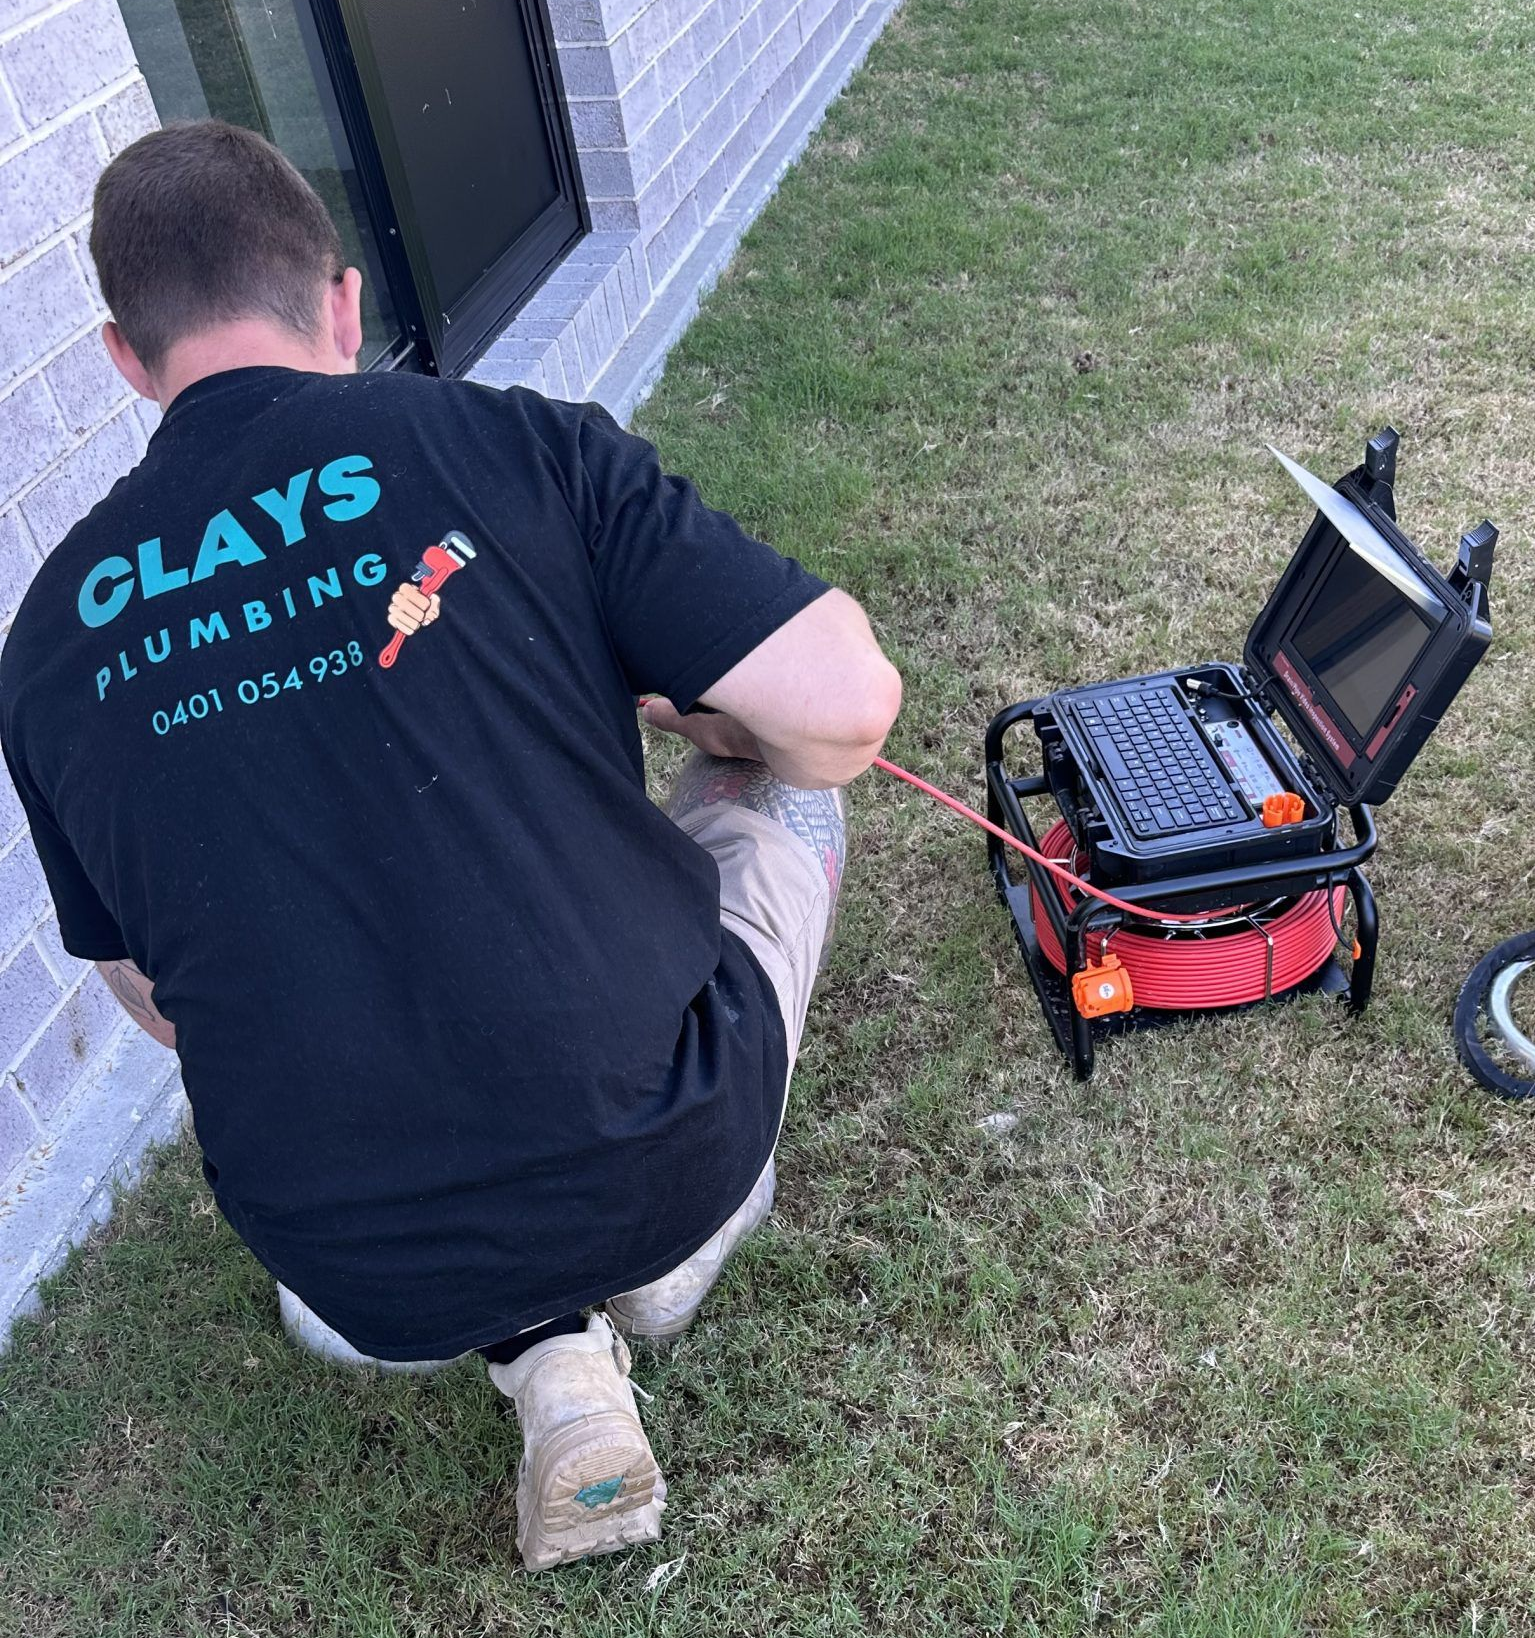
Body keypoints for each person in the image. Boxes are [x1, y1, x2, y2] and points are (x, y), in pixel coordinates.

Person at [0, 121, 900, 1571]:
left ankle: (552, 1360)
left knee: (383, 1085)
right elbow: (851, 706)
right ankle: (673, 1247)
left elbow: (151, 995)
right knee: (795, 783)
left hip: (357, 1275)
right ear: (344, 303)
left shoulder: (47, 639)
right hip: (667, 1151)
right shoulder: (507, 440)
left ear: (124, 357)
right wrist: (700, 718)